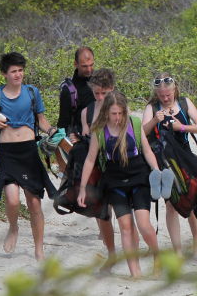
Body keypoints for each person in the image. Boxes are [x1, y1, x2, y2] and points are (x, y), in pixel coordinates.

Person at [0, 52, 57, 261]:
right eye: (14, 71)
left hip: (29, 152)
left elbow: (42, 120)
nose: (18, 74)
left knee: (34, 204)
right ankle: (13, 228)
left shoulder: (32, 92)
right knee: (13, 200)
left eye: (20, 70)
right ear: (4, 74)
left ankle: (39, 249)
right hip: (7, 154)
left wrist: (52, 131)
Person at [78, 91, 161, 278]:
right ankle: (135, 272)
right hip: (115, 181)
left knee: (143, 224)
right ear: (106, 112)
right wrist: (82, 188)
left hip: (139, 177)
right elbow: (90, 160)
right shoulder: (99, 130)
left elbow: (147, 151)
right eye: (113, 113)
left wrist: (156, 170)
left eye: (120, 113)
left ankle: (157, 257)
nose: (117, 118)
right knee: (125, 226)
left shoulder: (135, 123)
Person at [141, 74, 197, 256]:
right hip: (164, 160)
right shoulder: (152, 107)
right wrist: (154, 120)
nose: (165, 98)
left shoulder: (184, 103)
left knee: (192, 200)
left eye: (168, 95)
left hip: (185, 157)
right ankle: (177, 250)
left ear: (174, 89)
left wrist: (182, 127)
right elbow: (141, 133)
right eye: (161, 95)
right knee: (170, 204)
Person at [78, 68, 124, 268]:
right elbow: (86, 138)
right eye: (96, 93)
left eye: (104, 93)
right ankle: (109, 244)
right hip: (96, 162)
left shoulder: (120, 107)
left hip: (118, 163)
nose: (99, 97)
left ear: (112, 89)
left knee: (118, 207)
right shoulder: (87, 112)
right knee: (100, 205)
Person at [58, 46, 95, 136]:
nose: (89, 69)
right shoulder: (69, 90)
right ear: (75, 64)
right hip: (79, 137)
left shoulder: (101, 82)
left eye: (91, 65)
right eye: (84, 66)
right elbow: (63, 123)